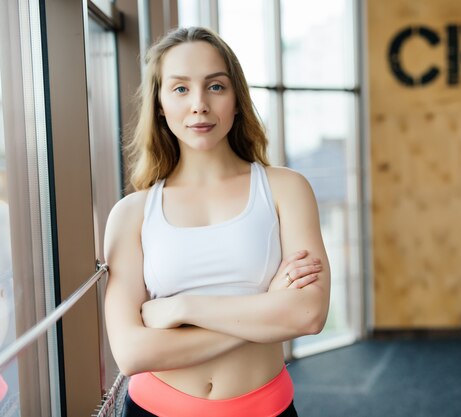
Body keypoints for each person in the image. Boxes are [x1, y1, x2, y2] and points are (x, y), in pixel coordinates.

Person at [103, 26, 330, 417]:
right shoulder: (131, 213)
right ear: (159, 104)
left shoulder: (285, 189)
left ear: (237, 99)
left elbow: (308, 315)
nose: (199, 105)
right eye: (179, 89)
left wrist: (182, 309)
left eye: (216, 87)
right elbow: (132, 352)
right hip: (152, 410)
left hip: (265, 408)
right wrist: (264, 308)